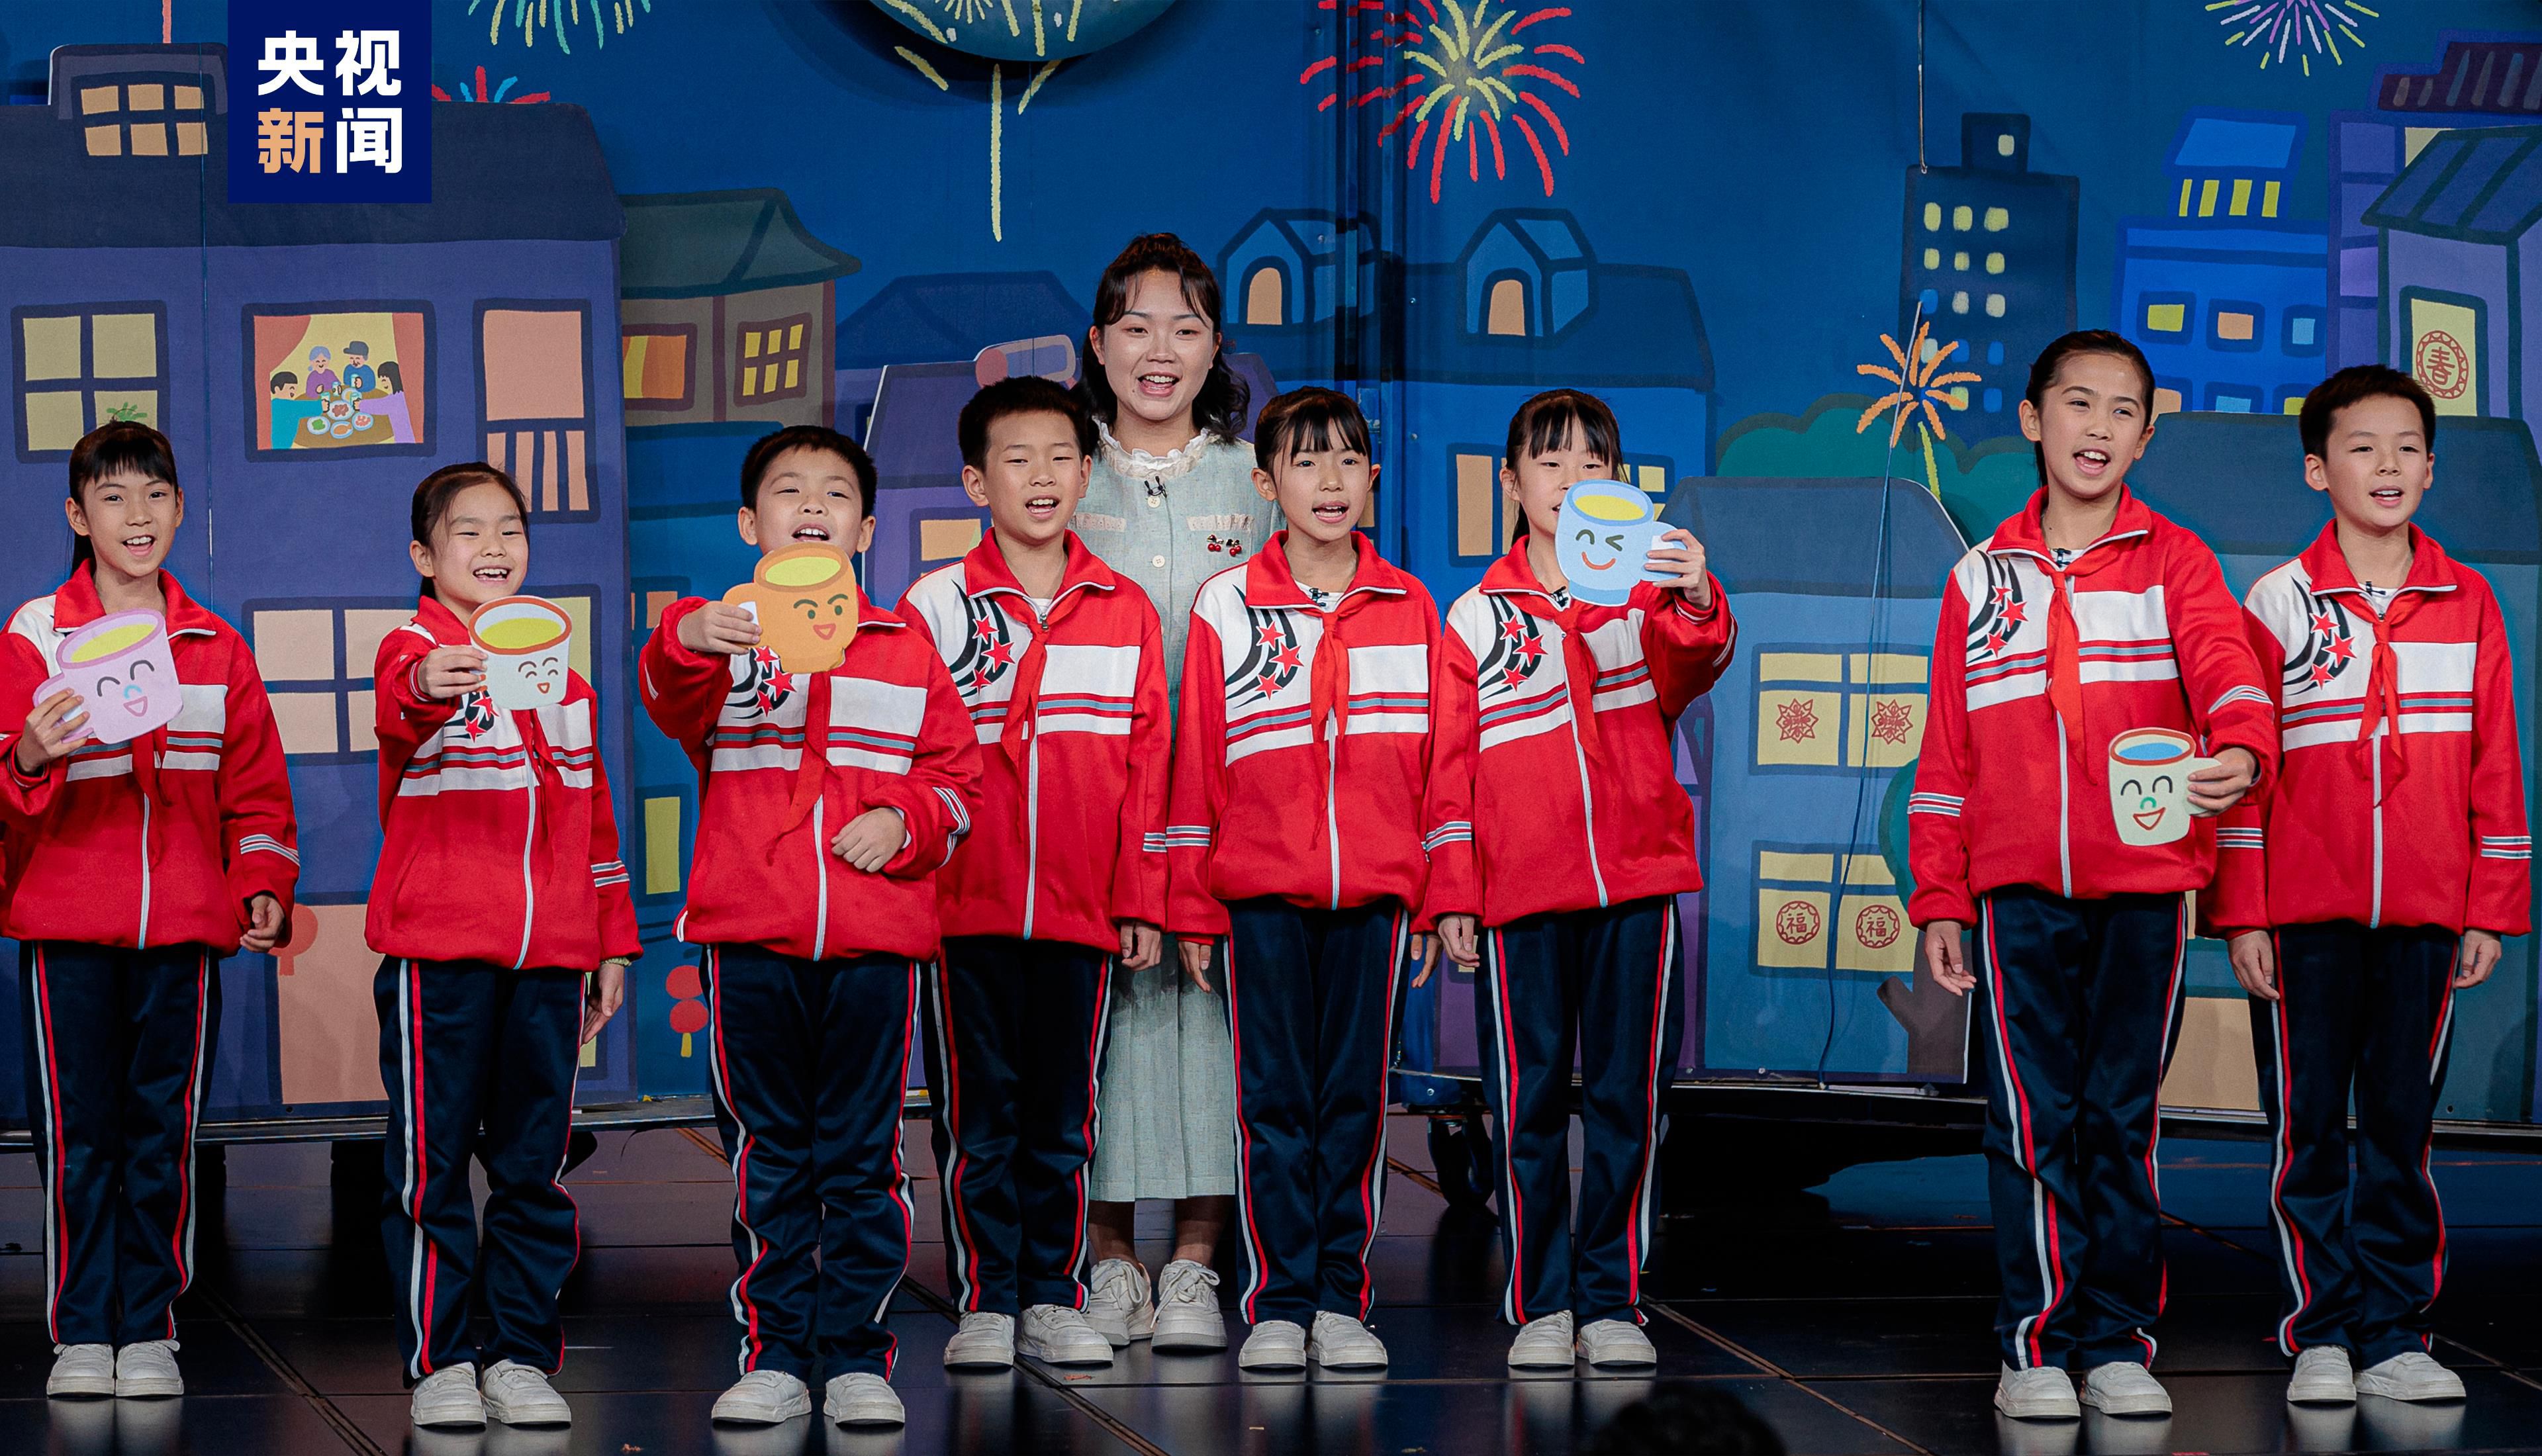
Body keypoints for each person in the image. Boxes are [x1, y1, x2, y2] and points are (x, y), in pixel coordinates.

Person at [1908, 330, 2277, 1422]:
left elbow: (2226, 669)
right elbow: (1948, 754)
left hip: (2147, 889)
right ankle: (2034, 1347)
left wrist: (2244, 747)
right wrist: (1940, 896)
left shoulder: (2178, 562)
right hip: (2016, 892)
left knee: (2119, 1117)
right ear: (2034, 420)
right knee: (2031, 1119)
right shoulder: (1979, 578)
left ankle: (2114, 1342)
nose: (2099, 428)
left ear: (2146, 438)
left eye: (2124, 412)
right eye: (2079, 403)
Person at [639, 426, 981, 1431]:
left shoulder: (905, 649)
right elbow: (669, 696)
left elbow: (958, 784)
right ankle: (776, 1354)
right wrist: (692, 634)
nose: (814, 508)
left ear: (866, 530)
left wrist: (904, 820)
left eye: (836, 495)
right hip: (751, 940)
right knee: (771, 1156)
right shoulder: (721, 639)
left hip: (876, 947)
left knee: (863, 1157)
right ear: (752, 524)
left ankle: (859, 1356)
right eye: (789, 492)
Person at [2208, 365, 2529, 1408]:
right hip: (2302, 918)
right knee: (2307, 1129)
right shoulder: (2276, 602)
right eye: (2361, 447)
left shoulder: (2470, 603)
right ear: (2318, 470)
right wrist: (2244, 912)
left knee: (2400, 1129)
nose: (2386, 465)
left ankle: (2395, 1331)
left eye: (2407, 448)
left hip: (2429, 916)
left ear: (2431, 470)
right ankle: (2320, 1331)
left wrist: (2490, 907)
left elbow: (2495, 763)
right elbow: (2246, 772)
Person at [1423, 388, 1735, 1371]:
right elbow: (1449, 770)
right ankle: (1539, 1301)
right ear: (1511, 483)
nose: (1569, 480)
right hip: (1519, 895)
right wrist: (1454, 892)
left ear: (1619, 483)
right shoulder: (1476, 616)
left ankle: (1612, 1300)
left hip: (1637, 887)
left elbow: (1695, 665)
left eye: (1591, 463)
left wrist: (1695, 594)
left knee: (1625, 1101)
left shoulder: (1645, 599)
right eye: (1549, 462)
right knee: (1524, 1106)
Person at [0, 422, 297, 1401]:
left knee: (161, 1134)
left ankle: (150, 1328)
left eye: (156, 495)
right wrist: (29, 755)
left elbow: (257, 793)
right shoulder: (34, 634)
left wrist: (261, 881)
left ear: (178, 509)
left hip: (182, 933)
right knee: (77, 1137)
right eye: (114, 497)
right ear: (78, 516)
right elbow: (6, 781)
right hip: (66, 930)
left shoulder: (216, 645)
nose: (139, 515)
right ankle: (83, 1330)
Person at [898, 377, 1170, 1372]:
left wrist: (1140, 898)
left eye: (1061, 456)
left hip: (1080, 913)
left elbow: (1148, 767)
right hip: (961, 915)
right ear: (978, 482)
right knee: (979, 1119)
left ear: (1088, 473)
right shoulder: (933, 605)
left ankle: (1052, 1296)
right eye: (1017, 459)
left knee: (1063, 1119)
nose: (1042, 476)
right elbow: (906, 763)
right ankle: (985, 1300)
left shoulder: (1125, 609)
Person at [1165, 387, 1438, 1373]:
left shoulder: (1413, 607)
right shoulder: (1225, 604)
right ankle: (1279, 1302)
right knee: (1275, 1102)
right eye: (1307, 460)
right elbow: (1197, 763)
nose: (1331, 480)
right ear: (1265, 482)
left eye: (1349, 460)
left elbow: (1441, 768)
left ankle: (1340, 1300)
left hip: (1375, 897)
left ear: (1374, 476)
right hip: (1261, 898)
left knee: (1354, 1104)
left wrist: (1433, 898)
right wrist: (1191, 907)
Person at [370, 463, 641, 1431]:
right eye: (469, 531)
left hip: (551, 959)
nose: (494, 548)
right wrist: (431, 684)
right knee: (431, 1167)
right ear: (424, 555)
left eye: (510, 530)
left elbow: (593, 818)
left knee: (534, 1167)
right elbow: (399, 701)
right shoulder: (415, 649)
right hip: (439, 956)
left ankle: (521, 1355)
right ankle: (441, 1361)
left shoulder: (563, 677)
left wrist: (610, 942)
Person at [1070, 232, 1268, 1351]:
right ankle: (1106, 1258)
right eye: (1137, 327)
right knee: (1097, 1026)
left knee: (1212, 1022)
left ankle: (1196, 1258)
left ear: (1213, 347)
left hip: (1232, 808)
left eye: (1185, 328)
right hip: (1091, 805)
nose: (1160, 350)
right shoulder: (1062, 468)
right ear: (1098, 345)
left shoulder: (1257, 475)